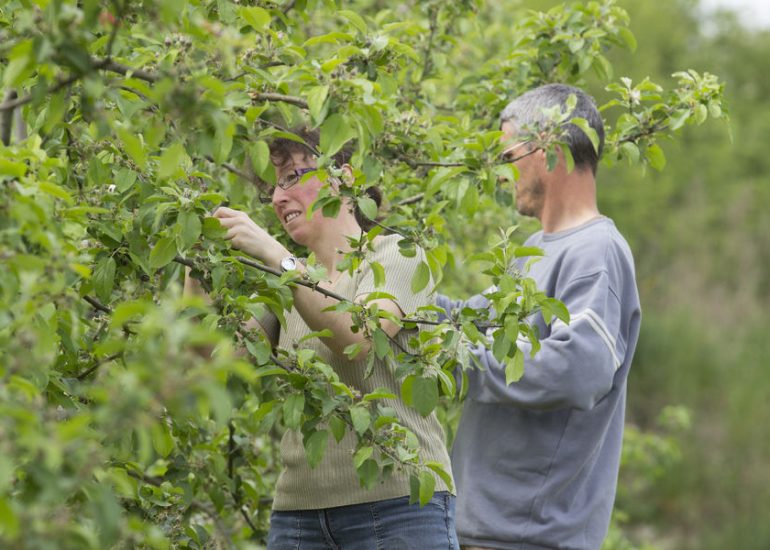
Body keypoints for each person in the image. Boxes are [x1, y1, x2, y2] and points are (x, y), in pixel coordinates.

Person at [192, 128, 458, 549]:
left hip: (398, 508)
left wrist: (276, 257)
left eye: (292, 177)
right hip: (299, 517)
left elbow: (361, 338)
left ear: (344, 178)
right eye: (272, 188)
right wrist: (196, 265)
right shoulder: (286, 282)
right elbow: (217, 358)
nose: (278, 198)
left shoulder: (396, 254)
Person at [437, 84, 641, 550]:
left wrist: (459, 359)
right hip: (482, 531)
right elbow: (465, 322)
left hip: (529, 538)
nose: (505, 171)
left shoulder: (598, 252)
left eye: (510, 153)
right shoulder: (531, 253)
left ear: (548, 149)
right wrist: (394, 301)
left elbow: (577, 371)